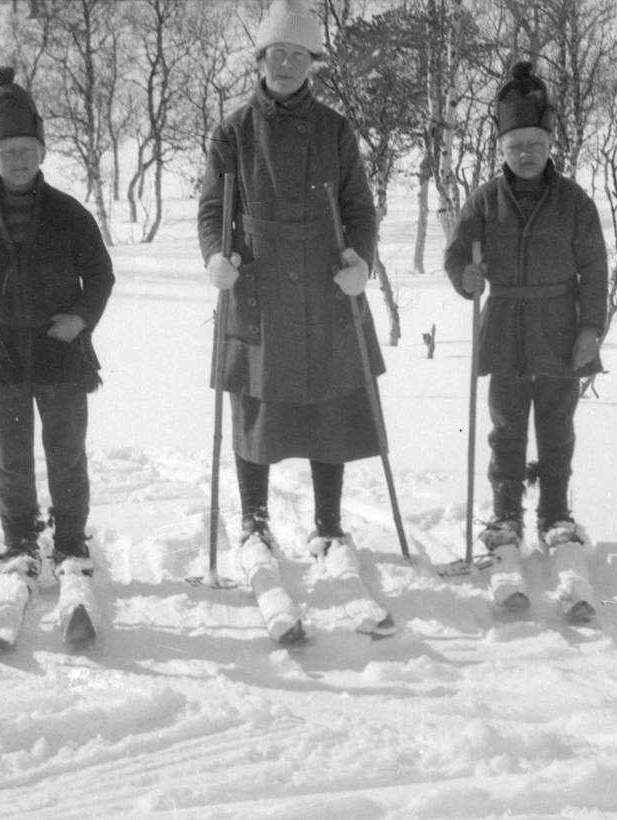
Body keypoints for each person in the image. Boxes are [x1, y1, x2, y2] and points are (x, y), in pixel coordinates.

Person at [197, 0, 382, 560]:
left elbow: (360, 209)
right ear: (261, 57)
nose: (285, 64)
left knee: (331, 406)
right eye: (277, 52)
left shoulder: (335, 130)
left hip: (325, 286)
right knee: (255, 408)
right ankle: (254, 522)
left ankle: (328, 524)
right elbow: (213, 210)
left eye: (298, 55)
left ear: (312, 63)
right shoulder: (232, 132)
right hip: (258, 287)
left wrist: (360, 263)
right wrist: (216, 256)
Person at [0, 67, 114, 581]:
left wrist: (81, 319)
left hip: (60, 344)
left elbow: (101, 274)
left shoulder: (69, 213)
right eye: (7, 151)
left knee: (66, 452)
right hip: (3, 349)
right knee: (10, 456)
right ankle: (19, 539)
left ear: (42, 152)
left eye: (27, 151)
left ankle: (71, 539)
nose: (18, 160)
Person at [444, 61, 609, 551]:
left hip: (559, 325)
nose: (526, 153)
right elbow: (457, 252)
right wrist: (464, 275)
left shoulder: (574, 202)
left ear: (550, 143)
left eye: (536, 143)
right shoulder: (484, 201)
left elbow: (595, 269)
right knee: (507, 428)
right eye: (515, 145)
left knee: (557, 427)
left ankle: (555, 513)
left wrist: (590, 329)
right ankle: (506, 514)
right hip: (504, 327)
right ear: (501, 147)